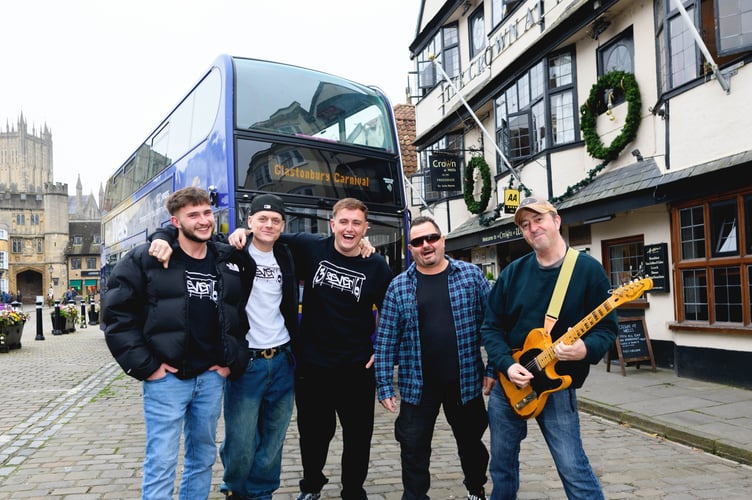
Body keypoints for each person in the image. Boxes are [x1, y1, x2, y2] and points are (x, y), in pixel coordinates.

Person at [229, 197, 392, 500]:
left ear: (365, 228)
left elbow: (392, 312)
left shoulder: (377, 265)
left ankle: (353, 490)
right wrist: (240, 232)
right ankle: (311, 487)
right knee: (314, 435)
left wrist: (383, 351)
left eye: (357, 223)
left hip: (357, 368)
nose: (349, 228)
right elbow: (269, 232)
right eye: (343, 221)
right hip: (313, 366)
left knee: (358, 437)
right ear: (332, 224)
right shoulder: (310, 246)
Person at [103, 186, 252, 500]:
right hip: (166, 379)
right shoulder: (148, 258)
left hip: (211, 378)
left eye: (207, 213)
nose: (203, 221)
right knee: (161, 460)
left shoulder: (225, 259)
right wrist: (148, 367)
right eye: (193, 215)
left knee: (202, 458)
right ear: (175, 221)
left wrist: (230, 360)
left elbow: (238, 312)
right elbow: (116, 316)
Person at [480, 196, 618, 500]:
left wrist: (584, 349)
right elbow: (491, 327)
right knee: (502, 466)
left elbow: (607, 329)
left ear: (556, 221)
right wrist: (505, 364)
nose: (532, 228)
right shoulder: (513, 273)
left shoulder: (587, 270)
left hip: (556, 387)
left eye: (538, 219)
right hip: (509, 384)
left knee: (572, 466)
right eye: (525, 225)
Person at [374, 215, 493, 500]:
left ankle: (475, 489)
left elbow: (492, 325)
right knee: (413, 447)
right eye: (418, 241)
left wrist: (494, 368)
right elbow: (387, 337)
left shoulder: (471, 276)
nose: (426, 245)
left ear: (443, 241)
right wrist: (384, 385)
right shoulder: (399, 286)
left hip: (465, 381)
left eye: (431, 238)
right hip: (417, 385)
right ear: (411, 249)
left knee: (471, 443)